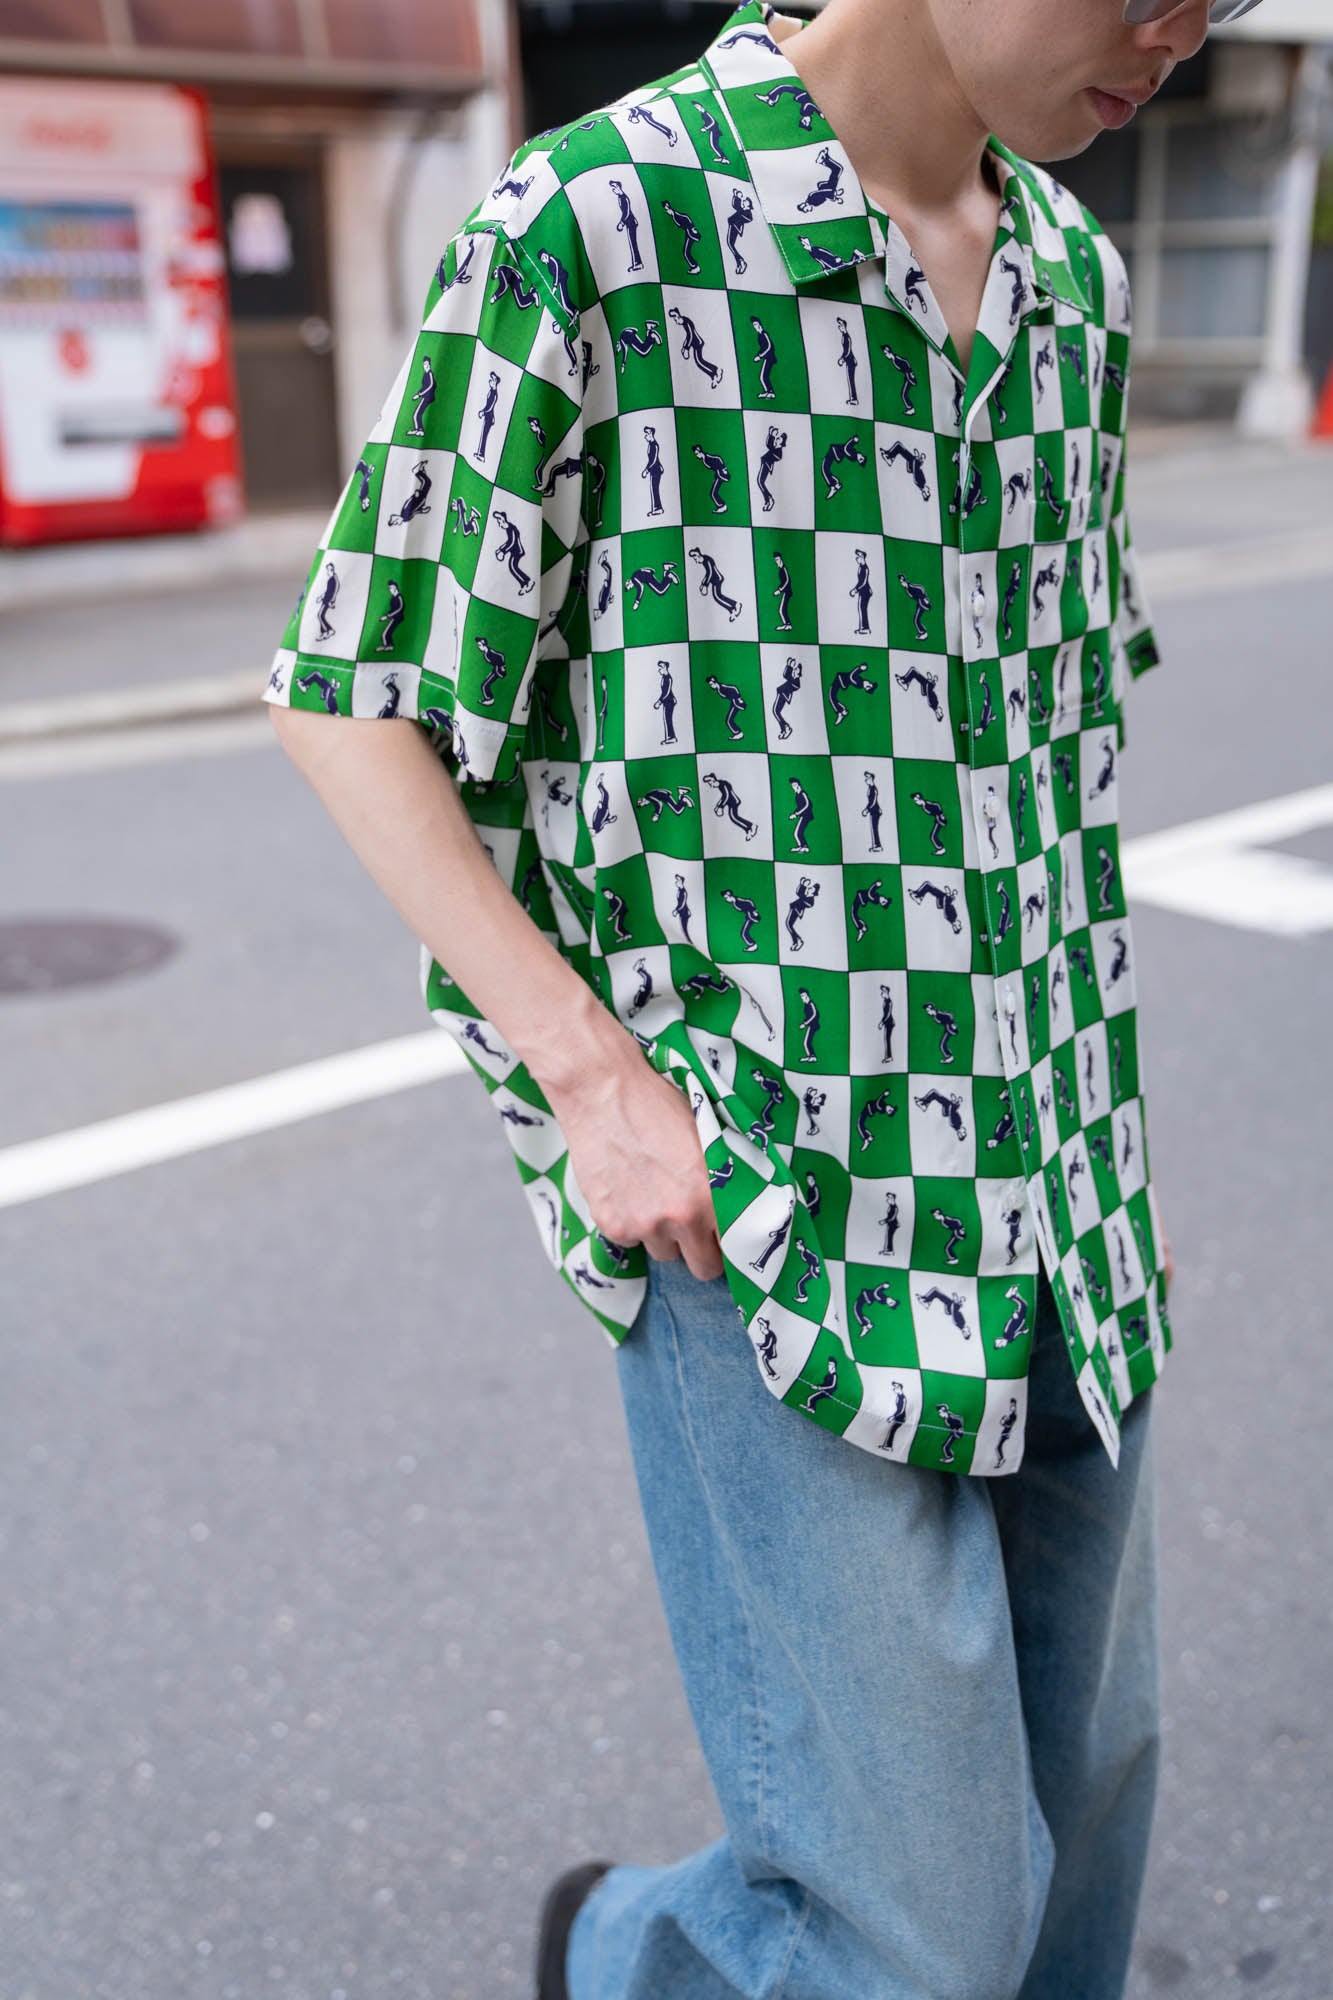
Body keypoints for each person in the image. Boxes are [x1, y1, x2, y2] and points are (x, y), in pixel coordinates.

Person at [262, 0, 1232, 1991]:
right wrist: (590, 1076)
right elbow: (352, 694)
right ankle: (628, 1953)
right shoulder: (599, 223)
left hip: (1062, 1175)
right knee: (917, 1933)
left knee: (1085, 1821)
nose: (1176, 33)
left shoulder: (1072, 278)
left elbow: (1047, 742)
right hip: (772, 1192)